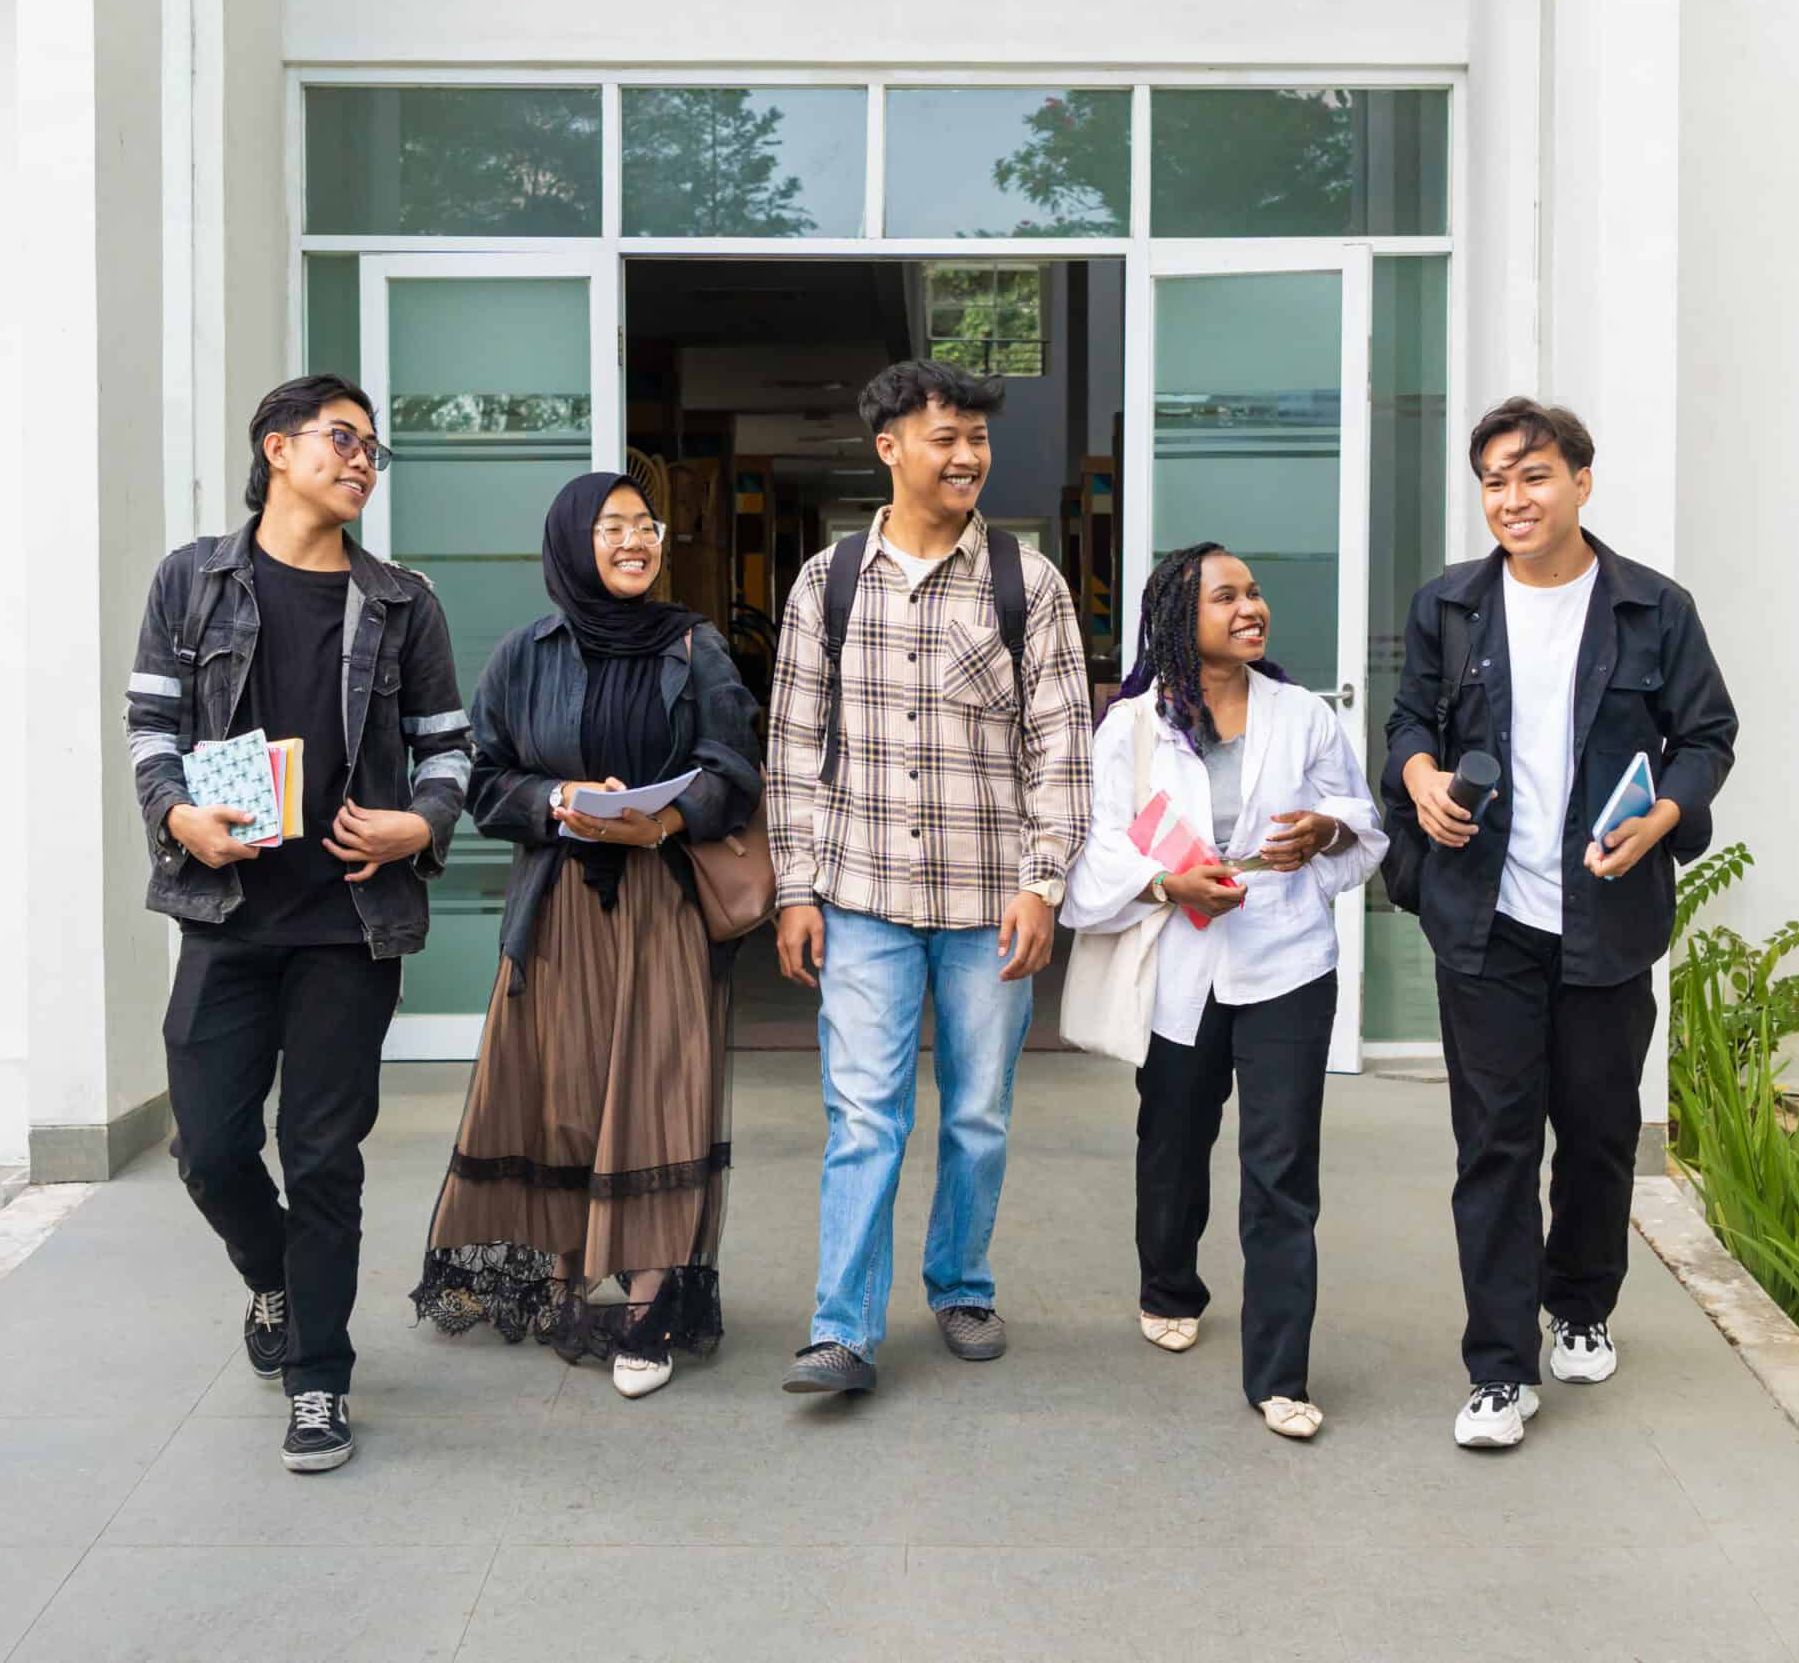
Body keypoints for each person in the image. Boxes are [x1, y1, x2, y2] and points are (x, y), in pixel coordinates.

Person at [124, 373, 470, 1473]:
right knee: (210, 1146)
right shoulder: (192, 581)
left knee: (322, 1157)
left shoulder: (403, 602)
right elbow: (150, 728)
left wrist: (420, 825)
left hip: (347, 925)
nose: (363, 460)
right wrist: (179, 815)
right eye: (342, 439)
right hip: (226, 912)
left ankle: (320, 1377)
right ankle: (271, 1276)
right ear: (276, 448)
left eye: (373, 449)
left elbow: (448, 746)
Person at [1383, 397, 1738, 1451]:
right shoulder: (1449, 606)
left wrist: (1663, 816)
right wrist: (1420, 776)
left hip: (1605, 919)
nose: (1512, 498)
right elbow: (1406, 720)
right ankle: (1498, 1368)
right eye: (1493, 481)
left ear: (1581, 481)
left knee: (1597, 1132)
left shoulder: (1652, 609)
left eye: (1532, 475)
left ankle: (1579, 1304)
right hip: (1484, 918)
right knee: (1492, 1144)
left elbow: (1707, 736)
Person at [766, 358, 1093, 1397]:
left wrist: (1043, 882)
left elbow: (1061, 747)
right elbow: (793, 749)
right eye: (944, 438)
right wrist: (794, 887)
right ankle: (843, 1329)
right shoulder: (826, 582)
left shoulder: (1026, 584)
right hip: (862, 898)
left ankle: (960, 1284)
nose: (966, 457)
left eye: (976, 439)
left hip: (987, 903)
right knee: (865, 1116)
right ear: (889, 448)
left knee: (977, 1113)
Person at [410, 473, 760, 1401]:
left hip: (661, 902)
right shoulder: (526, 654)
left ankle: (647, 1303)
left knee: (658, 1090)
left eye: (647, 524)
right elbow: (484, 779)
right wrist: (559, 798)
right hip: (560, 903)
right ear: (573, 542)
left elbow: (735, 768)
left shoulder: (696, 647)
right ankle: (568, 1278)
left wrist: (666, 817)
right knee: (565, 1094)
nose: (635, 540)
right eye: (612, 527)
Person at [1062, 543, 1384, 1440]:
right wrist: (1168, 885)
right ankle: (1169, 1282)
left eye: (1255, 592)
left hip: (1288, 960)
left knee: (1282, 1169)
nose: (1251, 608)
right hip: (1183, 966)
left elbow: (1363, 823)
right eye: (1226, 596)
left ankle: (1279, 1374)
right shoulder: (1132, 728)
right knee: (1173, 1140)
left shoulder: (1304, 714)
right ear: (1180, 617)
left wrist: (1323, 831)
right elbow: (1099, 850)